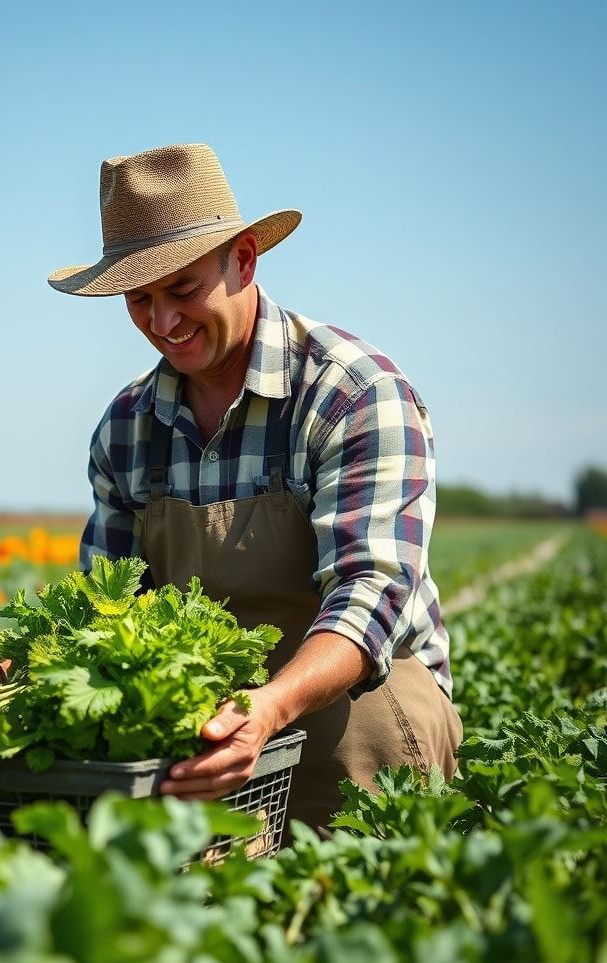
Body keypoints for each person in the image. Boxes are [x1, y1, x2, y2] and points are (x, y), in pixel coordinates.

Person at [47, 143, 463, 835]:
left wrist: (266, 708)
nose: (163, 323)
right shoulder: (126, 430)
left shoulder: (352, 395)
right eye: (139, 300)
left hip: (357, 724)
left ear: (244, 258)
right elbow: (103, 605)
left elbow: (370, 593)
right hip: (200, 738)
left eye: (182, 290)